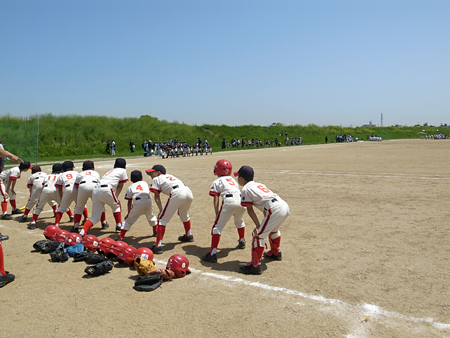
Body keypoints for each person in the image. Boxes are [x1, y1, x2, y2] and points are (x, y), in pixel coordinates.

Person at [234, 166, 290, 275]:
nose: (237, 179)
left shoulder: (245, 189)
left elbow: (250, 210)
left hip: (274, 209)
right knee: (273, 230)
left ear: (242, 178)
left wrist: (258, 226)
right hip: (283, 206)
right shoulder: (258, 184)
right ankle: (275, 253)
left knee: (258, 236)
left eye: (238, 176)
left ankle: (255, 266)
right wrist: (264, 224)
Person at [202, 160, 246, 263]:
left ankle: (212, 254)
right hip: (241, 201)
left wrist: (217, 212)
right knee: (239, 220)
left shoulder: (217, 181)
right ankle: (242, 240)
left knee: (217, 227)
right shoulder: (232, 179)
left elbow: (216, 197)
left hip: (229, 201)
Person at [145, 165, 194, 254]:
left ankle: (158, 246)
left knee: (162, 220)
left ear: (158, 173)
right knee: (184, 215)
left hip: (177, 193)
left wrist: (160, 210)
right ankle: (188, 235)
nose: (151, 175)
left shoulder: (156, 179)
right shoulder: (171, 176)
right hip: (188, 192)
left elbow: (156, 197)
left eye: (152, 173)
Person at [79, 158, 128, 236]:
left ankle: (82, 233)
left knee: (95, 217)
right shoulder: (123, 170)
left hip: (96, 190)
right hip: (106, 189)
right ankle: (119, 225)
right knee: (116, 206)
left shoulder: (110, 171)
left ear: (114, 165)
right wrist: (116, 196)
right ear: (124, 166)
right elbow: (120, 185)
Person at [116, 170, 157, 241]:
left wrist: (129, 212)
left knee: (128, 220)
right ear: (142, 178)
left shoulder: (130, 187)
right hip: (148, 201)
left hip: (138, 202)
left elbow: (129, 201)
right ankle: (155, 231)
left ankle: (121, 237)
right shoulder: (144, 183)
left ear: (131, 180)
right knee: (151, 216)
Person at [28, 163, 70, 229]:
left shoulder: (48, 176)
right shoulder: (62, 175)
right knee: (63, 204)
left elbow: (43, 184)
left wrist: (41, 195)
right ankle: (71, 216)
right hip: (56, 190)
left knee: (38, 207)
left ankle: (33, 222)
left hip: (45, 190)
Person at [71, 160, 108, 233]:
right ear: (93, 168)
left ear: (82, 169)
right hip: (94, 185)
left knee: (79, 207)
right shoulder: (96, 173)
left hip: (82, 186)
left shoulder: (80, 174)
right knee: (100, 204)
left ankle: (76, 226)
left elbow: (76, 185)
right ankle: (103, 222)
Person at [53, 161, 77, 227]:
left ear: (62, 169)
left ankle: (57, 224)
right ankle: (85, 219)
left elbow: (59, 188)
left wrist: (61, 199)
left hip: (68, 189)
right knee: (81, 206)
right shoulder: (76, 173)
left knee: (61, 208)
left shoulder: (61, 175)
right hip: (77, 188)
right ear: (72, 168)